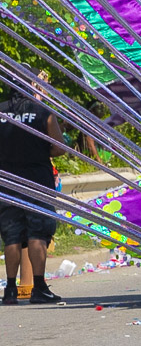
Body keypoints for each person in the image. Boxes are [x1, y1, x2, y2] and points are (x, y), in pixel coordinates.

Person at [0, 79, 66, 305]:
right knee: (38, 233)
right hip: (37, 180)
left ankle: (9, 290)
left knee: (12, 235)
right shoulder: (43, 112)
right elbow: (59, 147)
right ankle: (38, 287)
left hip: (7, 182)